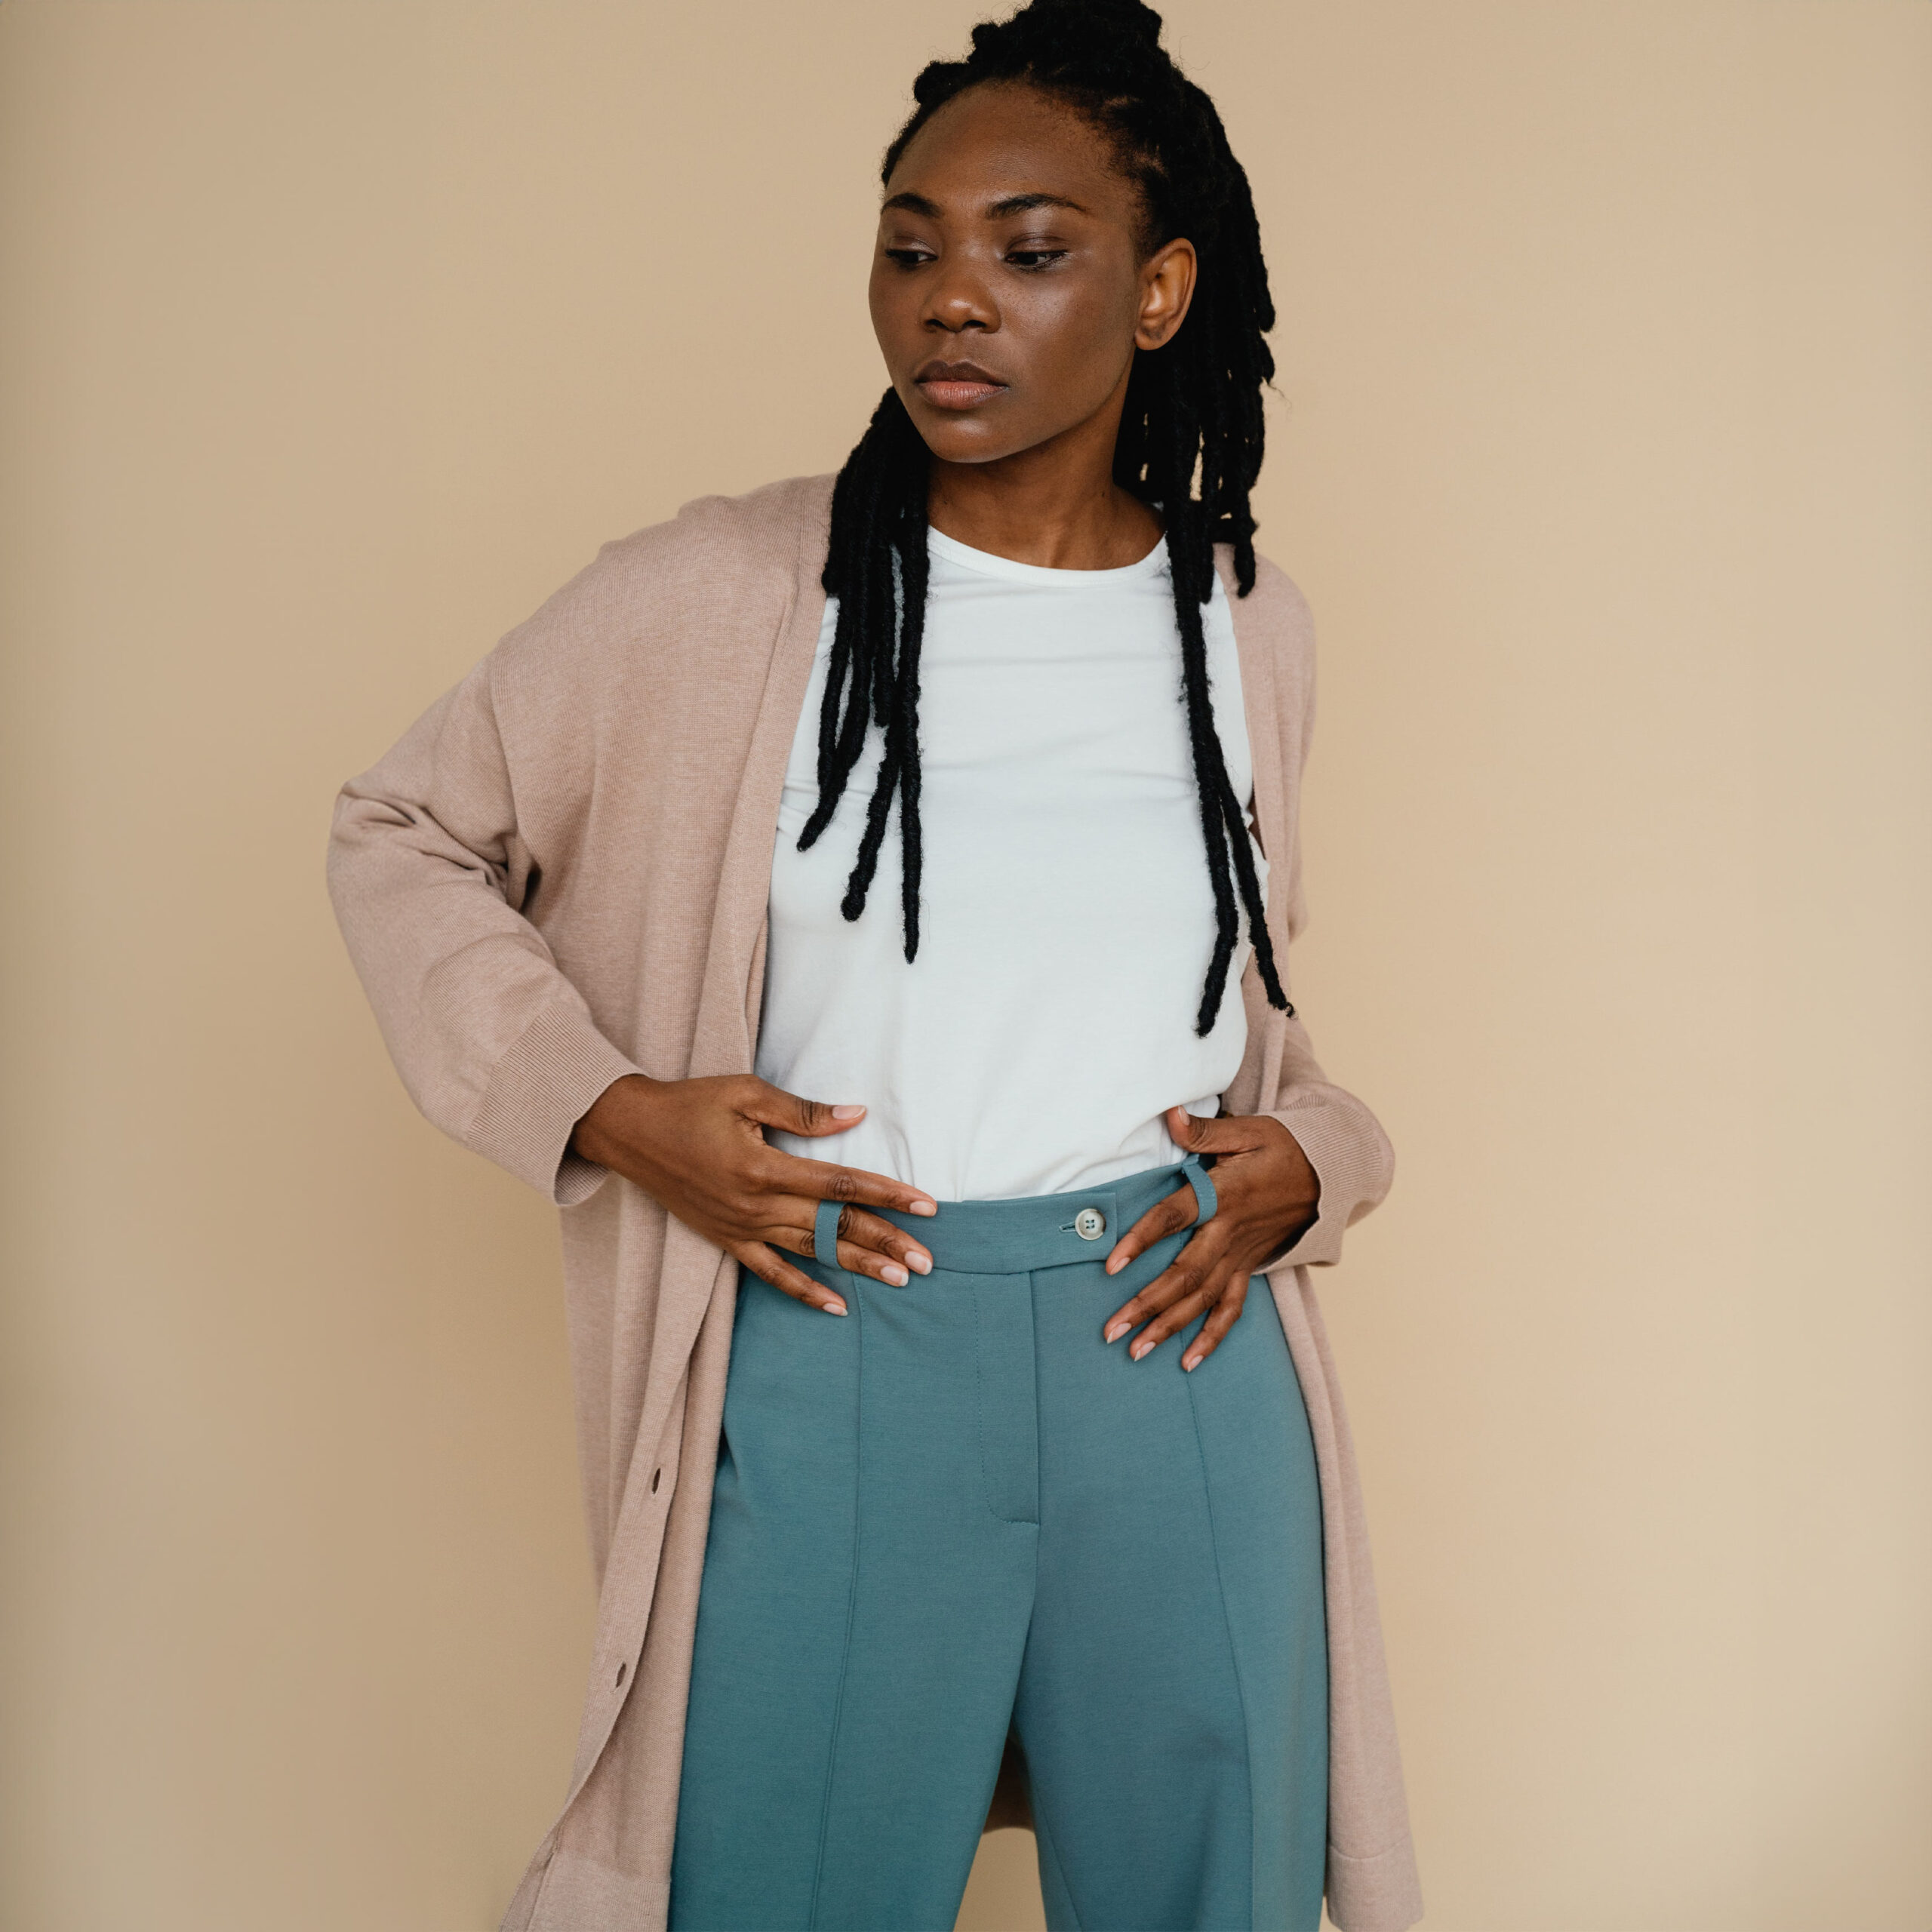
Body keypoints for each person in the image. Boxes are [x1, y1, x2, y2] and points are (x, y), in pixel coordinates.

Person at [327, 3, 1421, 1928]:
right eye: (910, 247)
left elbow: (1228, 1019)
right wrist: (608, 1109)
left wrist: (1318, 1158)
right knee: (783, 1881)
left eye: (1028, 248)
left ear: (1160, 290)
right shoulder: (720, 598)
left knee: (1217, 1890)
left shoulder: (1243, 624)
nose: (950, 300)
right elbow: (401, 831)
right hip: (843, 1333)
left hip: (1175, 1353)